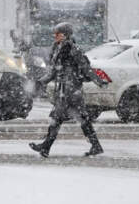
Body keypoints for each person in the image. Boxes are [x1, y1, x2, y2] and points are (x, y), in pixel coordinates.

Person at [29, 22, 108, 157]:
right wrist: (41, 82)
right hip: (63, 90)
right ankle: (95, 145)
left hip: (71, 91)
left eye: (58, 34)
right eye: (55, 33)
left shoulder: (73, 49)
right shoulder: (57, 49)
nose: (55, 36)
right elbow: (53, 71)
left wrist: (98, 80)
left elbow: (85, 68)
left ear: (65, 35)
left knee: (60, 118)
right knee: (75, 118)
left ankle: (46, 147)